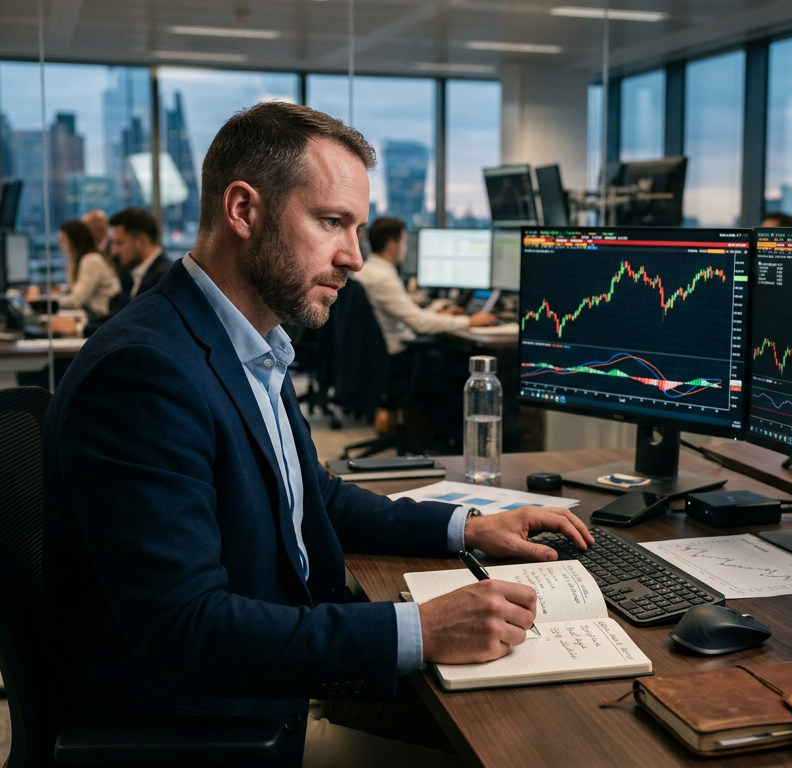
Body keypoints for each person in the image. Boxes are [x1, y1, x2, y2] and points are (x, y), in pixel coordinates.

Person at [42, 101, 593, 768]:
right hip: (215, 729)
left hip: (274, 688)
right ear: (243, 211)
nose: (354, 257)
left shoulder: (248, 343)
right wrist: (419, 629)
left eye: (357, 228)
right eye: (331, 221)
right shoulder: (146, 370)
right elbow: (186, 633)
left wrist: (465, 528)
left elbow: (315, 499)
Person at [354, 217, 497, 358]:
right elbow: (420, 324)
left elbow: (410, 314)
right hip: (397, 355)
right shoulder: (382, 279)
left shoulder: (368, 271)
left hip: (379, 351)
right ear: (392, 245)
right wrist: (469, 321)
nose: (406, 248)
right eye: (404, 242)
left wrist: (438, 313)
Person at [55, 219, 121, 316]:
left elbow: (77, 300)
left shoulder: (91, 260)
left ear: (74, 241)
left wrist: (48, 301)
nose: (60, 246)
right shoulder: (83, 260)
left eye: (63, 241)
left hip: (100, 318)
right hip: (95, 316)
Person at [108, 207, 172, 304]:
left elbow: (129, 317)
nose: (114, 251)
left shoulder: (162, 277)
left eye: (120, 243)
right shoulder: (136, 273)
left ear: (142, 240)